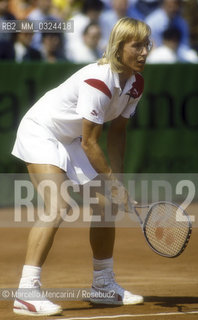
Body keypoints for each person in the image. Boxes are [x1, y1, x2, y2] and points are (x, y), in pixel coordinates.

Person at [12, 17, 152, 316]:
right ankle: (26, 291)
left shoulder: (136, 84)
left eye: (146, 45)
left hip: (72, 137)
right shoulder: (98, 81)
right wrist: (113, 183)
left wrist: (118, 184)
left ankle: (103, 285)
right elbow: (90, 143)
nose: (144, 52)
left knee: (105, 204)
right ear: (118, 47)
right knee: (58, 204)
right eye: (136, 45)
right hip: (42, 131)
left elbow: (118, 133)